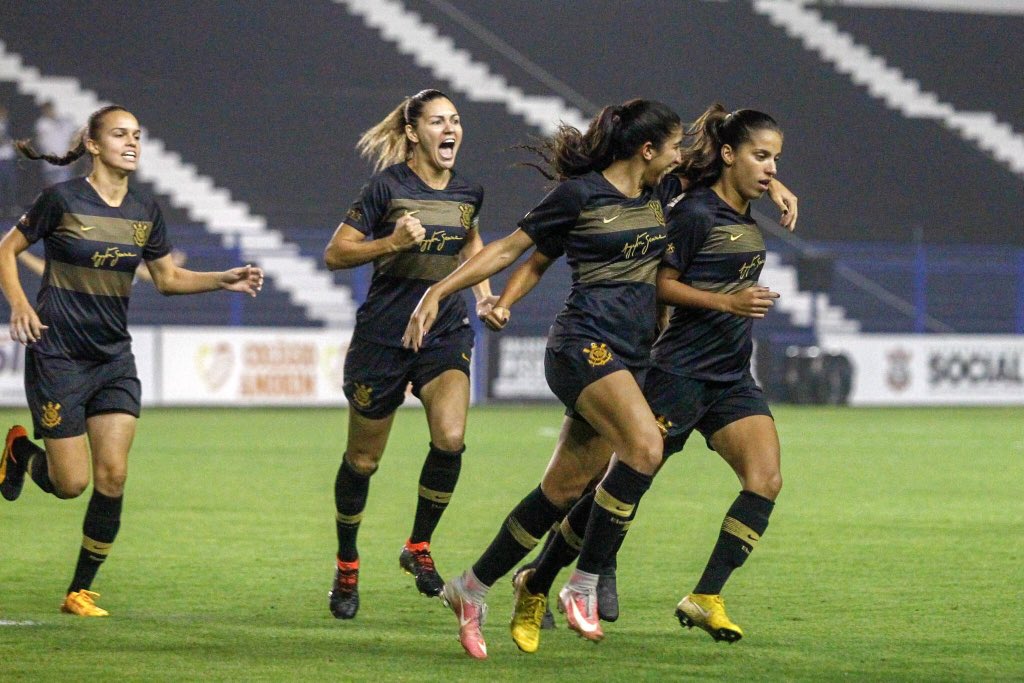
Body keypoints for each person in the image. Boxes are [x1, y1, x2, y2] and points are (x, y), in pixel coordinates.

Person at [404, 98, 684, 658]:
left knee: (561, 492)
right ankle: (583, 583)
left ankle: (472, 587)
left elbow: (727, 169)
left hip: (630, 353)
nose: (681, 156)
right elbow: (512, 249)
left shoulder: (659, 193)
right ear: (647, 149)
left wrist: (774, 189)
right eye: (674, 146)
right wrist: (440, 290)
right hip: (582, 345)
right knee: (646, 448)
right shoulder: (578, 196)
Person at [515, 104, 788, 648]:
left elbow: (740, 162)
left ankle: (706, 595)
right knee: (614, 486)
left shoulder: (742, 211)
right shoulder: (693, 213)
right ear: (730, 155)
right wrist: (726, 304)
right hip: (676, 371)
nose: (772, 169)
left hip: (731, 377)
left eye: (776, 160)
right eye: (762, 157)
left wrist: (776, 186)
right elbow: (660, 283)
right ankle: (544, 577)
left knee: (766, 480)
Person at [0, 104, 264, 617]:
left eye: (138, 136)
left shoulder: (145, 211)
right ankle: (21, 454)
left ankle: (79, 590)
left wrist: (221, 278)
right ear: (93, 146)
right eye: (120, 135)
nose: (132, 143)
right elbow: (5, 250)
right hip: (58, 356)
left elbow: (166, 279)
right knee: (70, 484)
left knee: (113, 476)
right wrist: (20, 303)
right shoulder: (61, 200)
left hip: (113, 358)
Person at [321, 89, 497, 620]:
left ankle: (417, 545)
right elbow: (335, 253)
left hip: (443, 330)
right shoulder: (386, 187)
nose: (451, 129)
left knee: (450, 438)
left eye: (457, 120)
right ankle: (347, 562)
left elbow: (469, 238)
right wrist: (392, 243)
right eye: (439, 121)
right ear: (415, 132)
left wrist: (485, 296)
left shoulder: (469, 190)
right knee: (363, 460)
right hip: (383, 336)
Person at [33, 102, 78, 188]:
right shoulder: (42, 124)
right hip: (50, 164)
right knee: (53, 189)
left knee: (66, 188)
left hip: (64, 162)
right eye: (46, 110)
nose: (49, 112)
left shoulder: (65, 122)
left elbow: (72, 140)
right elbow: (39, 141)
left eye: (50, 109)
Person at [0, 103, 17, 217]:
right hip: (1, 158)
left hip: (9, 157)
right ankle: (2, 207)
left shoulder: (9, 125)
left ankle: (11, 207)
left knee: (11, 184)